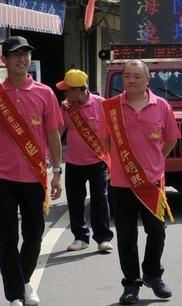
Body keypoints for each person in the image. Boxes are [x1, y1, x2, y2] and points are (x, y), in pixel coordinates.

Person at [0, 36, 63, 306]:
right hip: (2, 177)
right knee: (7, 238)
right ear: (4, 60)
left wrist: (57, 171)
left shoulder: (45, 93)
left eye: (26, 54)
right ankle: (14, 296)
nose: (22, 59)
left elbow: (53, 134)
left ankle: (24, 281)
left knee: (34, 236)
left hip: (35, 176)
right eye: (16, 54)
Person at [98, 59, 180, 305]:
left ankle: (153, 275)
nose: (131, 80)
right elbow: (104, 141)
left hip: (151, 182)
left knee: (157, 231)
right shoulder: (110, 108)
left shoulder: (162, 106)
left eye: (136, 76)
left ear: (147, 80)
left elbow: (171, 140)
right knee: (125, 235)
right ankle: (131, 283)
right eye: (127, 76)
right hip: (122, 184)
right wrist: (120, 163)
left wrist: (154, 161)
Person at [57, 69, 114, 252]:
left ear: (78, 90)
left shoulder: (102, 104)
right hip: (73, 162)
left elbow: (112, 132)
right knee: (75, 201)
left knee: (100, 200)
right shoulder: (66, 108)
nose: (65, 94)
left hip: (98, 161)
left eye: (67, 90)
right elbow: (58, 131)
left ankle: (103, 239)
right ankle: (80, 238)